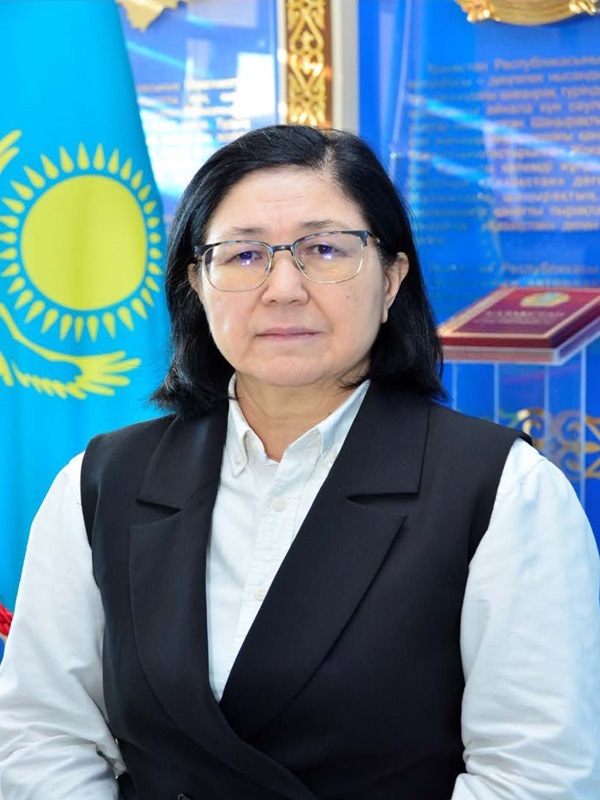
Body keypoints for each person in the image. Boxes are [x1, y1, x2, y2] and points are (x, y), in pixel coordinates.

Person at [0, 124, 599, 800]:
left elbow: (536, 778)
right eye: (243, 254)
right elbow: (41, 737)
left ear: (392, 279)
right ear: (196, 282)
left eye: (324, 249)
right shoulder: (100, 483)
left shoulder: (503, 493)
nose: (283, 287)